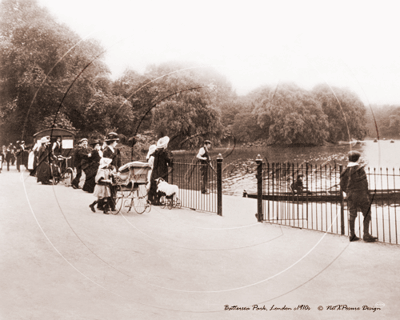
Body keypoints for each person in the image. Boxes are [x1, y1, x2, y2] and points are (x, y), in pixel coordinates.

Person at [340, 150, 377, 242]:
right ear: (357, 159)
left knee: (352, 214)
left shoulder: (345, 171)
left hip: (350, 195)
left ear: (349, 159)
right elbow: (364, 184)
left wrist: (348, 192)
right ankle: (366, 234)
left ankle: (352, 235)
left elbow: (342, 185)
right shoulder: (360, 170)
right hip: (361, 195)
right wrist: (365, 194)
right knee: (367, 214)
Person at [149, 136, 171, 205]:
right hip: (162, 170)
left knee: (154, 184)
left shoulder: (156, 151)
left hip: (155, 170)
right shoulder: (164, 152)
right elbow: (169, 160)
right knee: (161, 185)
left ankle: (152, 199)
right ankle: (158, 200)